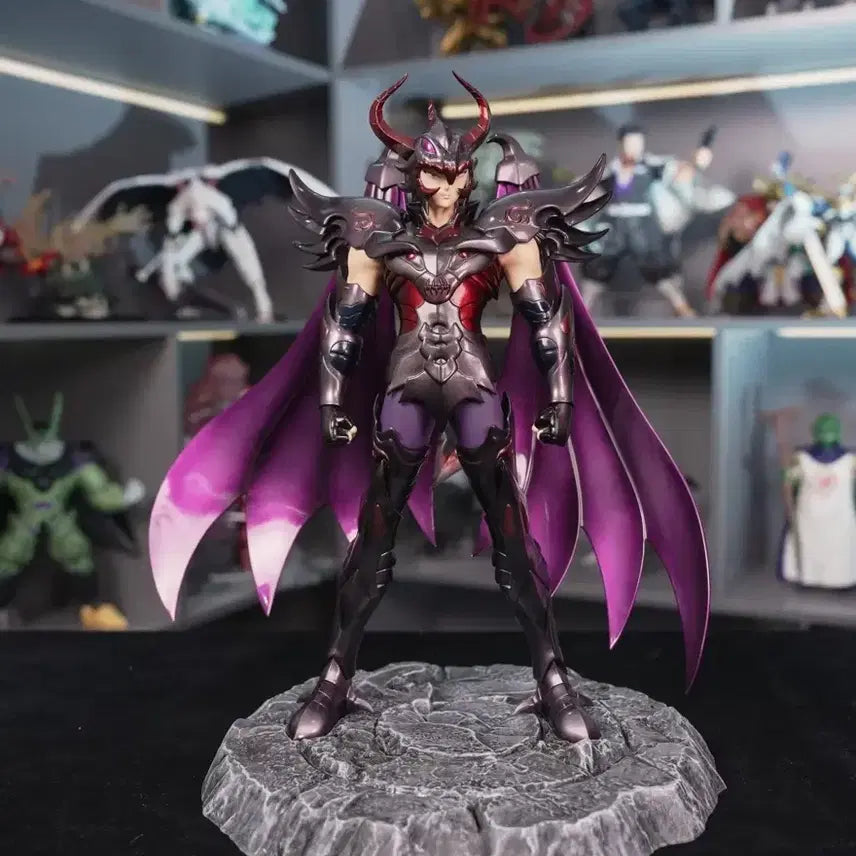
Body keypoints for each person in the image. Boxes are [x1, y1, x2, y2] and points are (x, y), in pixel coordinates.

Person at [148, 74, 710, 747]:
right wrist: (330, 400)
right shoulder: (377, 237)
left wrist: (560, 395)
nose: (444, 185)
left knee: (512, 536)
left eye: (455, 172)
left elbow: (546, 322)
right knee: (374, 536)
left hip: (474, 390)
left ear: (470, 174)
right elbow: (343, 326)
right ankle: (336, 675)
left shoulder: (505, 235)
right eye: (431, 173)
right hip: (404, 392)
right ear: (412, 177)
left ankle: (552, 676)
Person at [580, 124, 716, 317]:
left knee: (660, 268)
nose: (634, 148)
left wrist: (695, 163)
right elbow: (592, 192)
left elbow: (680, 172)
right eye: (630, 143)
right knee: (597, 269)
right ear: (621, 144)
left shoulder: (652, 166)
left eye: (638, 143)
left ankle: (681, 308)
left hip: (644, 229)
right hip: (613, 228)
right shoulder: (609, 171)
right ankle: (581, 311)